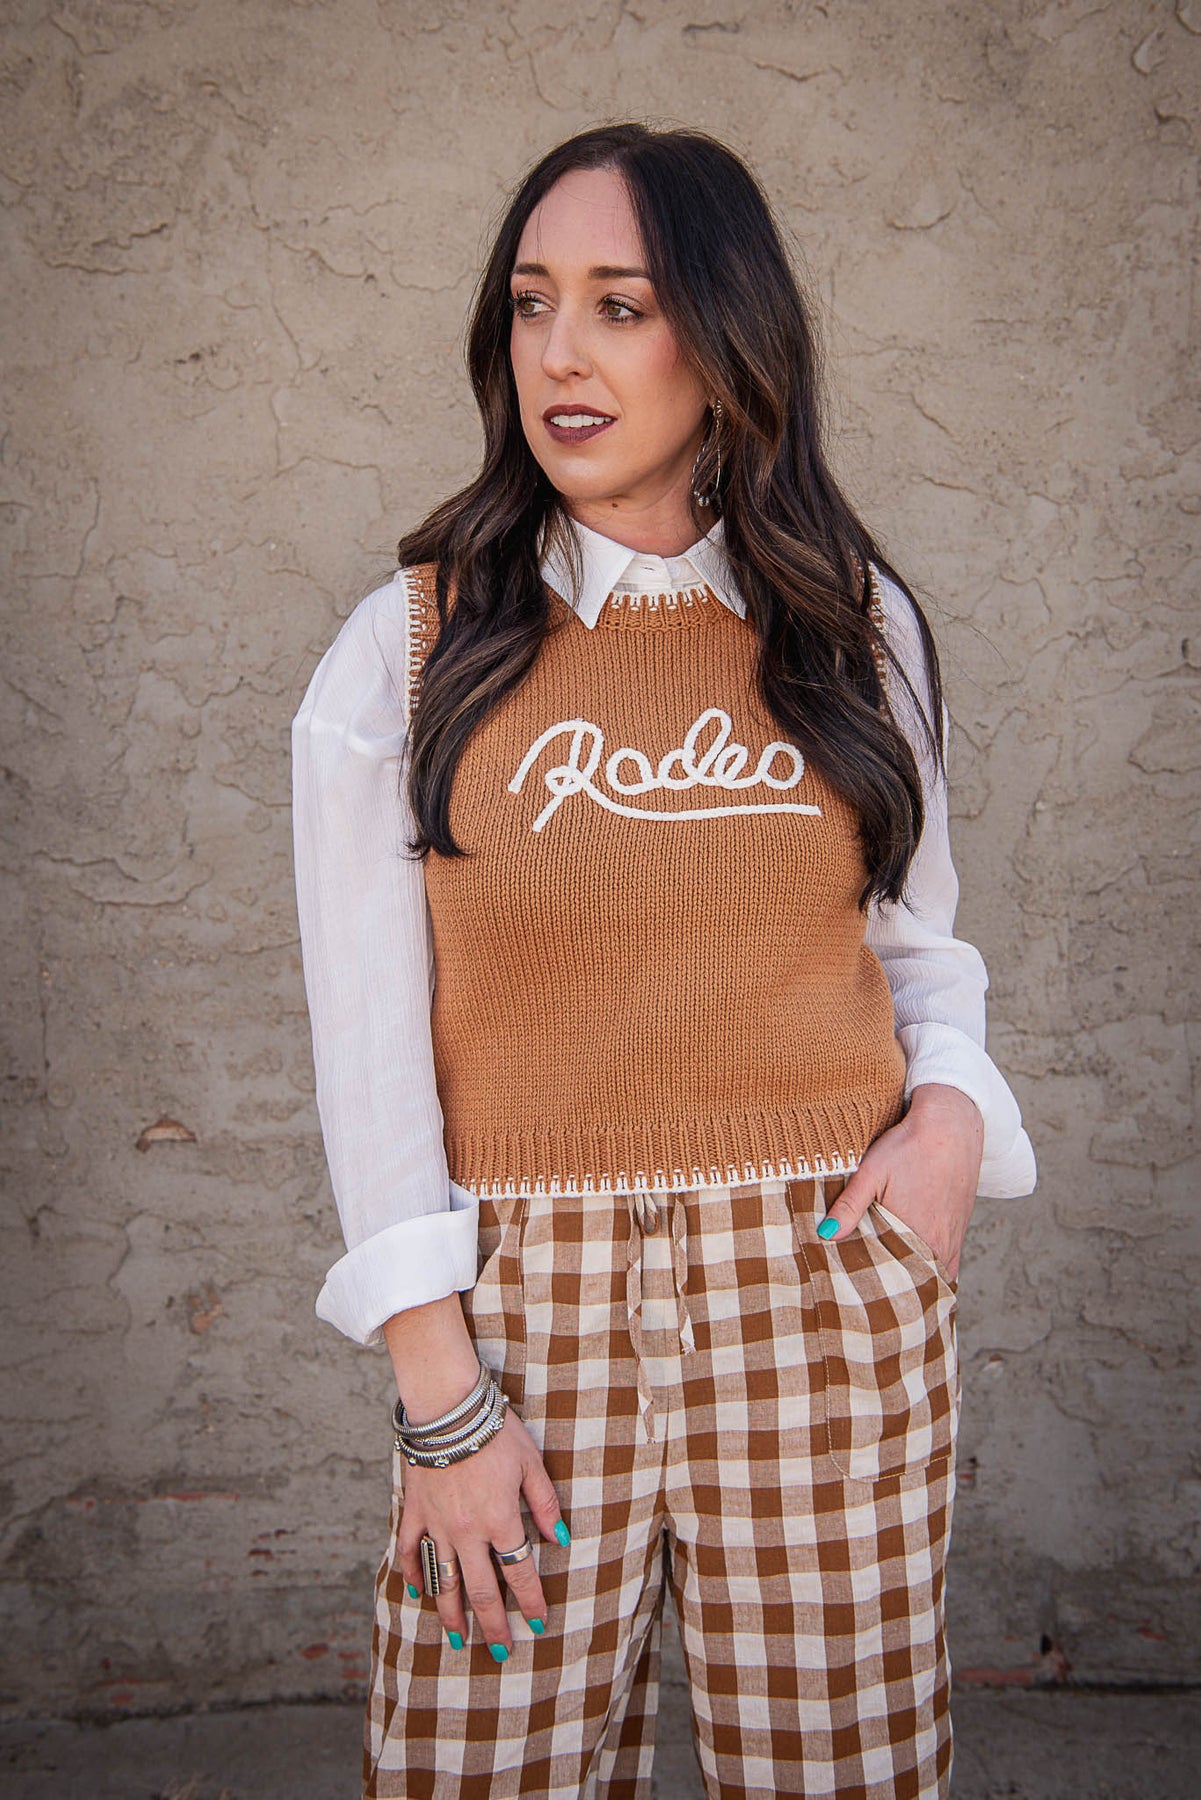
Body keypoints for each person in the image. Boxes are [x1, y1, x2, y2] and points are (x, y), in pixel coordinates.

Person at [290, 122, 1037, 1800]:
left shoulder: (854, 626)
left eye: (620, 306)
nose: (560, 351)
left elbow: (919, 950)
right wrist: (442, 1407)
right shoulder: (409, 648)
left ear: (724, 338)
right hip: (523, 1329)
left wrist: (949, 1122)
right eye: (531, 302)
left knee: (843, 1774)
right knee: (480, 1769)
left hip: (822, 1288)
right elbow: (367, 1058)